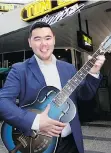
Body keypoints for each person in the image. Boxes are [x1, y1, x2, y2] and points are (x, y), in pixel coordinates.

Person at [0, 21, 105, 153]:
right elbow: (2, 102)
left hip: (70, 142)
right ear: (30, 42)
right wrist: (37, 122)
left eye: (48, 38)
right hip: (37, 142)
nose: (44, 44)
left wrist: (93, 72)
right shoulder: (19, 70)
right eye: (37, 39)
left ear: (54, 39)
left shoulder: (68, 68)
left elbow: (85, 95)